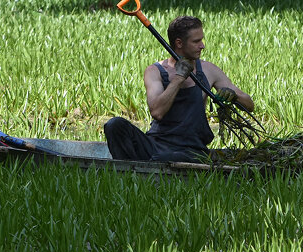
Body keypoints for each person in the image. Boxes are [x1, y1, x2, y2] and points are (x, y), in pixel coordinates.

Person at [104, 15, 253, 162]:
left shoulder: (208, 70)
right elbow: (157, 112)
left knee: (167, 158)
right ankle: (126, 171)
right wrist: (178, 78)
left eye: (202, 39)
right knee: (114, 125)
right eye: (196, 41)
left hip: (192, 150)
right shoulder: (155, 71)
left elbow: (249, 105)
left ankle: (149, 164)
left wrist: (234, 96)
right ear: (179, 43)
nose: (202, 45)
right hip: (155, 145)